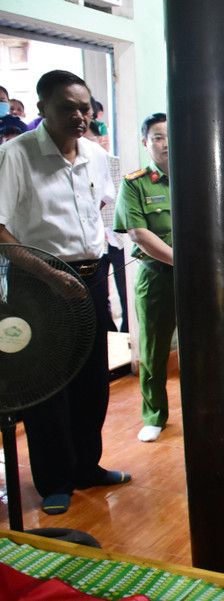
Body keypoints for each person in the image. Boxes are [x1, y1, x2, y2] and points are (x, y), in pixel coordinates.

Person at [0, 69, 131, 515]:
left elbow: (98, 208)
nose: (80, 116)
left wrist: (89, 262)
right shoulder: (17, 155)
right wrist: (52, 273)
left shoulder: (95, 155)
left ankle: (86, 466)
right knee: (50, 388)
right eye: (67, 108)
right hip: (40, 283)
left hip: (91, 279)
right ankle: (55, 480)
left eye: (85, 107)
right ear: (41, 110)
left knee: (93, 380)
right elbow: (0, 229)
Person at [114, 113, 175, 443]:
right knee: (153, 351)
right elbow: (138, 233)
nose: (165, 143)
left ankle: (205, 408)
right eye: (157, 137)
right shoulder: (135, 183)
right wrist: (184, 262)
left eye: (170, 135)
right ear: (145, 143)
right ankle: (154, 415)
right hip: (157, 277)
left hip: (201, 280)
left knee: (204, 346)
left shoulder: (195, 176)